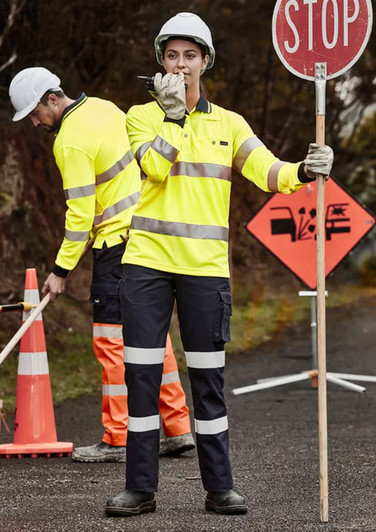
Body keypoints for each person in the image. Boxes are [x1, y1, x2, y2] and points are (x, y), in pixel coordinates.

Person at [105, 11, 334, 517]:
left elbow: (267, 171)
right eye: (172, 55)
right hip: (145, 267)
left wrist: (305, 168)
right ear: (160, 63)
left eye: (190, 56)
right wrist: (171, 118)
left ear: (205, 62)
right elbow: (154, 168)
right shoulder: (139, 117)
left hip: (205, 273)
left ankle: (220, 487)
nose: (181, 64)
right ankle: (140, 489)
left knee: (208, 381)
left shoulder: (229, 123)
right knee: (141, 377)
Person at [8, 67, 195, 463]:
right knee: (152, 337)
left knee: (111, 342)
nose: (35, 123)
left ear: (52, 99)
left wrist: (60, 273)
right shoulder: (107, 108)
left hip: (115, 246)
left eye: (35, 114)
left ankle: (118, 437)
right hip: (146, 237)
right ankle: (178, 428)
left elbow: (79, 214)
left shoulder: (70, 143)